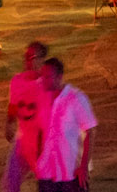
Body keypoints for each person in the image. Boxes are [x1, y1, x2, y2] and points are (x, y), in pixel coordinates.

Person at [36, 57, 96, 192]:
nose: (43, 80)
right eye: (42, 76)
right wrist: (38, 158)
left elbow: (90, 131)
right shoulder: (42, 98)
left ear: (59, 77)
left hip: (70, 171)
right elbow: (40, 129)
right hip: (47, 171)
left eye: (48, 76)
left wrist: (84, 167)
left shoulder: (76, 98)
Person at [5, 43, 55, 192]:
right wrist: (9, 122)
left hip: (43, 141)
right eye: (26, 57)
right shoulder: (17, 81)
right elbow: (13, 103)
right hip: (23, 138)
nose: (28, 61)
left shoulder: (47, 85)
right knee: (11, 180)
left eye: (32, 57)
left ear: (42, 60)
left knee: (46, 182)